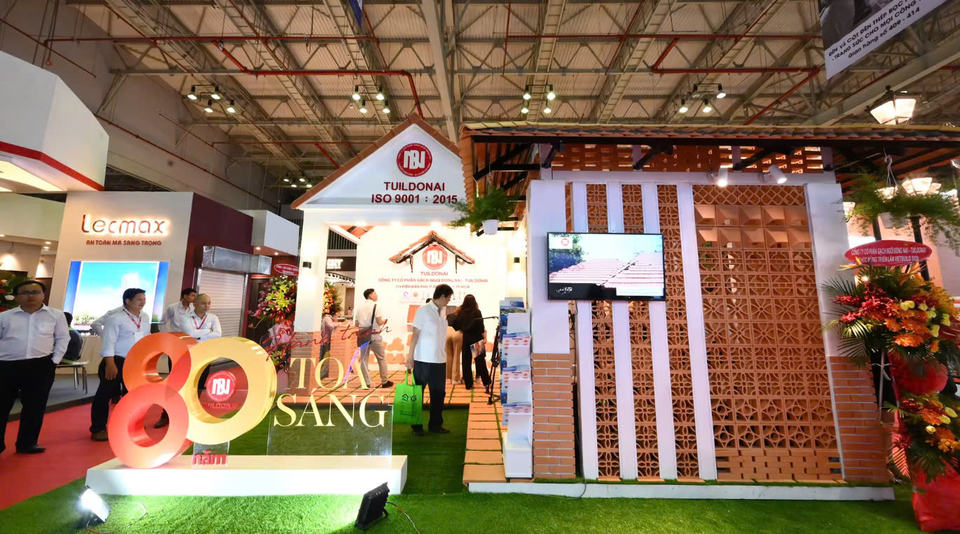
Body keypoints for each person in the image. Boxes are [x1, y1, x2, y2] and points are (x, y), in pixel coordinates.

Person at [0, 280, 69, 454]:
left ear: (43, 295)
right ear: (17, 297)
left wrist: (54, 361)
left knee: (35, 406)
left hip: (41, 365)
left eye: (35, 292)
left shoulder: (56, 315)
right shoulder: (5, 317)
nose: (30, 296)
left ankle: (27, 443)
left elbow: (62, 338)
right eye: (25, 292)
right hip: (6, 366)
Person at [90, 288, 151, 441]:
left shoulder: (144, 317)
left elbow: (146, 338)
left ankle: (129, 425)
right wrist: (110, 364)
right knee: (104, 395)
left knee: (132, 395)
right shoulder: (115, 318)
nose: (143, 302)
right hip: (116, 360)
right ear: (127, 301)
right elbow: (108, 342)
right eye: (139, 299)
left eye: (144, 299)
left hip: (135, 361)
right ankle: (98, 428)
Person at [406, 284, 454, 436]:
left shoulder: (442, 313)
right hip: (423, 359)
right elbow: (415, 334)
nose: (449, 300)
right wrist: (410, 356)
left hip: (439, 360)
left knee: (438, 394)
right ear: (442, 296)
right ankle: (416, 425)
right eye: (448, 298)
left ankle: (435, 425)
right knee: (418, 393)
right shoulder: (423, 311)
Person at [450, 294, 492, 392]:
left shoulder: (461, 313)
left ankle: (468, 384)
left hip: (466, 339)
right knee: (480, 363)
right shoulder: (477, 312)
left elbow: (456, 325)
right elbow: (481, 327)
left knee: (466, 362)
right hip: (476, 339)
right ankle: (486, 382)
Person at [355, 288, 393, 389]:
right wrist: (385, 321)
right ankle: (384, 381)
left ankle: (367, 382)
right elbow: (379, 322)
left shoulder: (359, 308)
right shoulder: (376, 306)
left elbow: (356, 323)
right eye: (375, 293)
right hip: (374, 335)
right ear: (370, 295)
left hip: (363, 336)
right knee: (381, 358)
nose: (377, 295)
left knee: (363, 359)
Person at [319, 302, 340, 379]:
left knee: (325, 357)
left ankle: (323, 373)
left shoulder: (329, 318)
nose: (338, 315)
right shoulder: (327, 318)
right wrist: (338, 324)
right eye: (337, 313)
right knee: (324, 357)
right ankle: (320, 374)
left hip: (327, 341)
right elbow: (331, 326)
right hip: (325, 341)